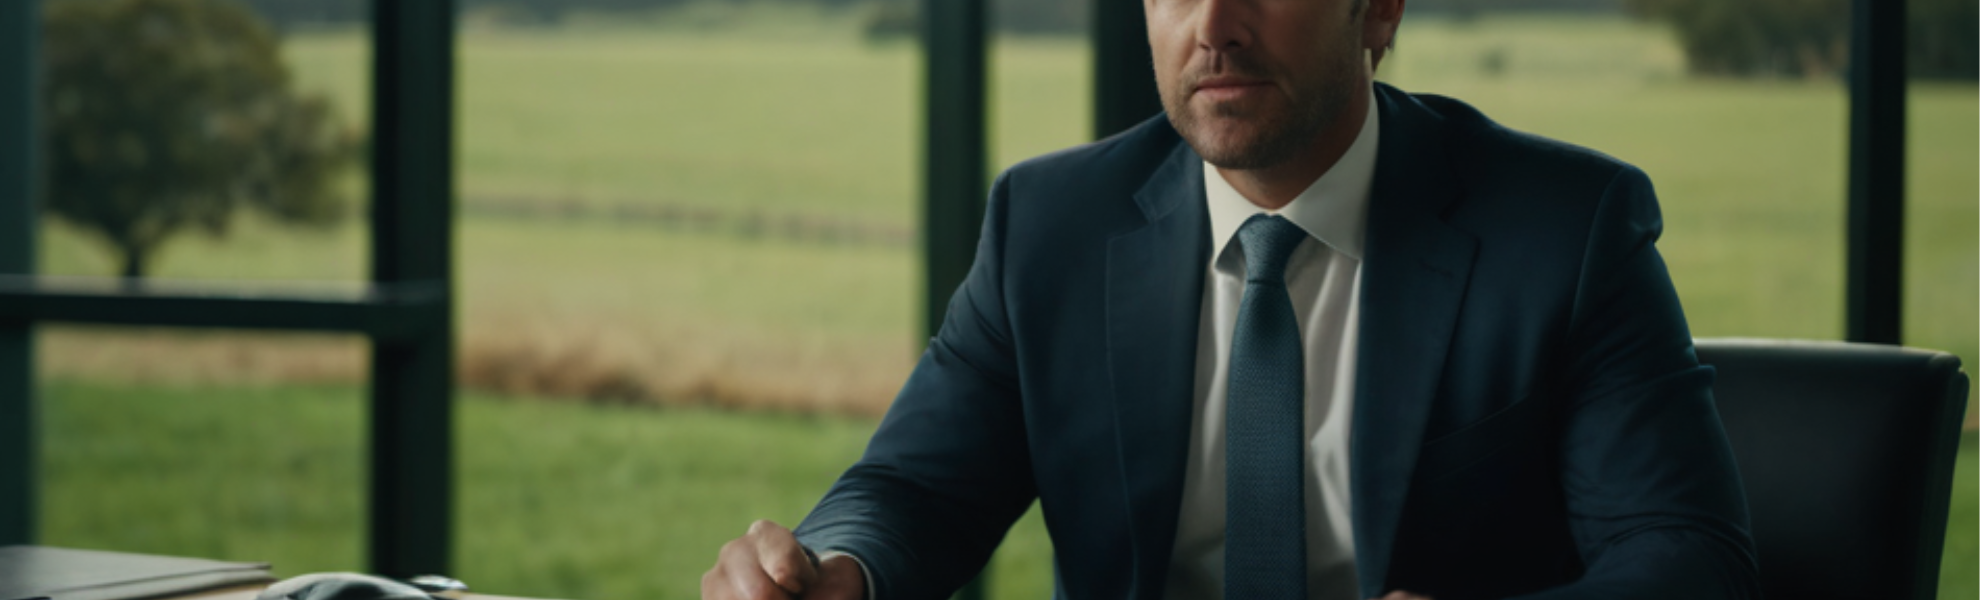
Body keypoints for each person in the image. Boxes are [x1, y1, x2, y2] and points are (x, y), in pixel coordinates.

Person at [703, 0, 1760, 597]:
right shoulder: (1052, 225)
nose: (1214, 23)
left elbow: (1685, 555)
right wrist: (836, 567)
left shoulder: (1566, 228)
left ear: (1378, 8)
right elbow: (911, 491)